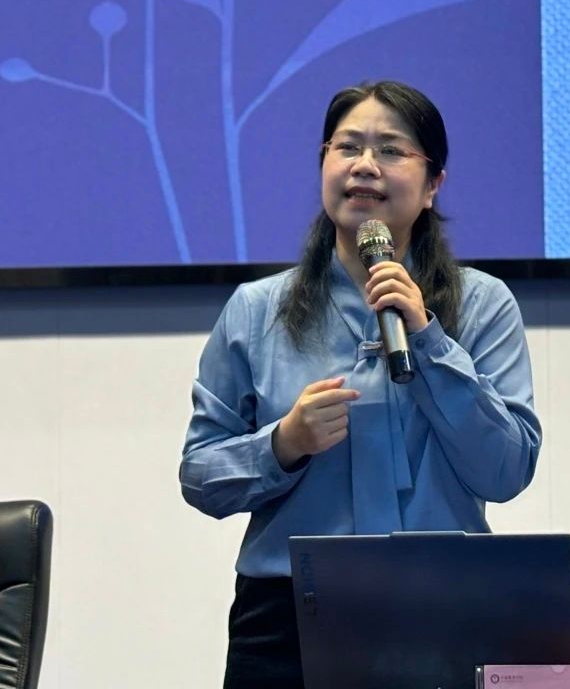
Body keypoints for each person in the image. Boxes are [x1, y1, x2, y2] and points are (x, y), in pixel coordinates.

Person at [179, 80, 542, 689]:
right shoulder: (256, 310)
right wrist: (283, 444)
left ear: (433, 185)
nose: (365, 166)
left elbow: (507, 471)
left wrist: (429, 340)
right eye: (347, 147)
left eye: (391, 150)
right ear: (323, 165)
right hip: (290, 619)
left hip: (443, 606)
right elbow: (200, 476)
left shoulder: (483, 305)